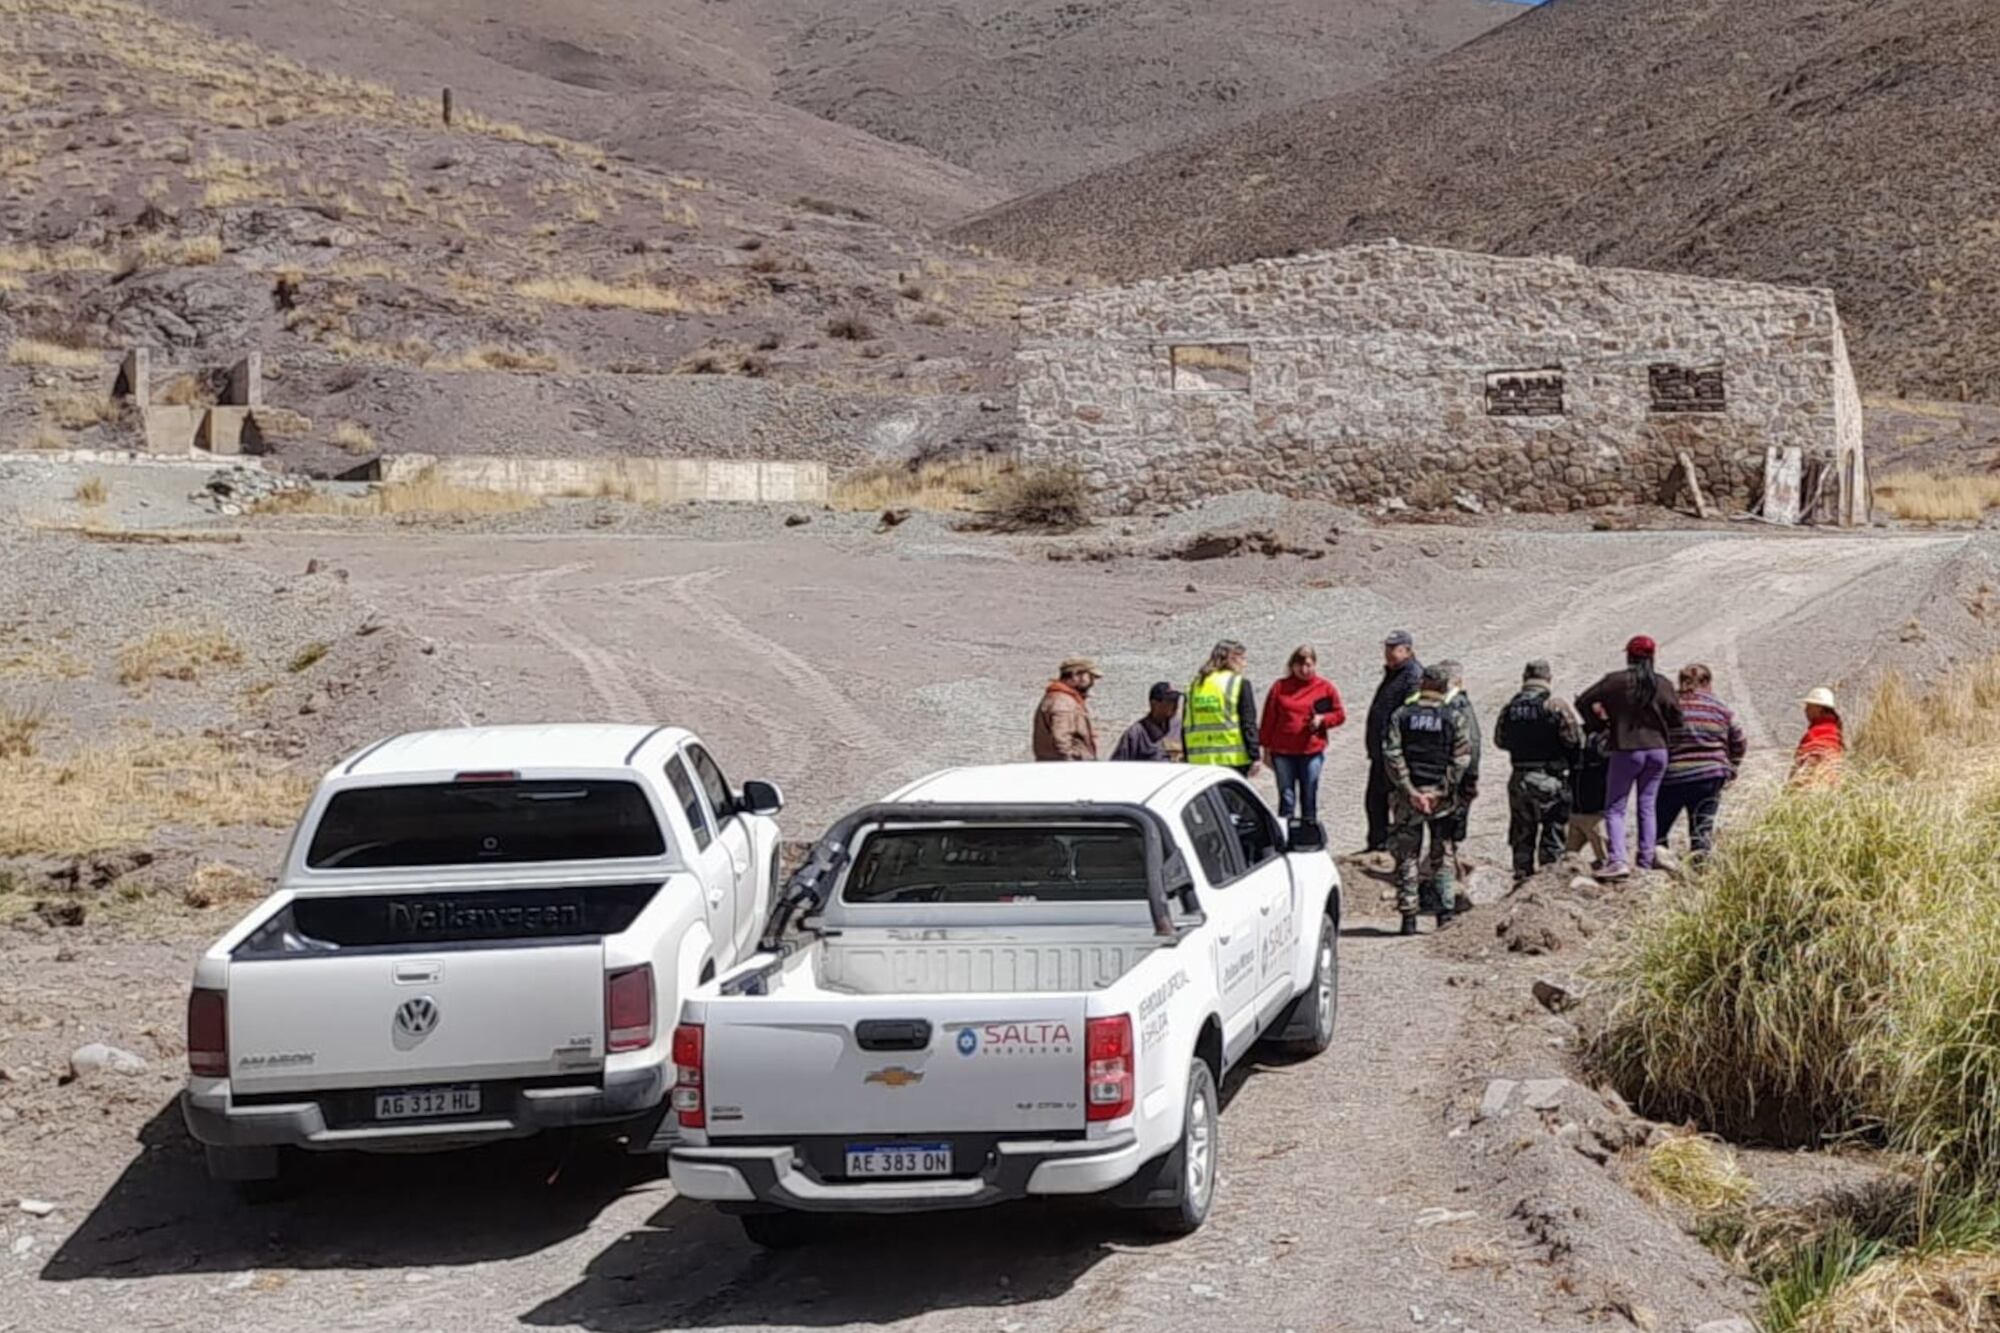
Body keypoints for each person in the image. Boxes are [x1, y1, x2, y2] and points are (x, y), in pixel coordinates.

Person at [1575, 635, 1684, 881]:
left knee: (1615, 808)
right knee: (1647, 805)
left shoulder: (1615, 682)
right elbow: (1677, 717)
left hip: (1626, 749)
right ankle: (1645, 859)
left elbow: (1583, 700)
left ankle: (1618, 860)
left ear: (1629, 656)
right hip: (1658, 750)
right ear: (1652, 656)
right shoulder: (1663, 684)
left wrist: (1599, 723)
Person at [1382, 662, 1472, 935]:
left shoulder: (1402, 715)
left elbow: (1392, 754)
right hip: (1440, 800)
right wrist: (1440, 791)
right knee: (1442, 854)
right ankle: (1444, 914)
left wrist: (1410, 790)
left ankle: (1408, 917)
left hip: (1407, 798)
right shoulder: (1453, 717)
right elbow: (1461, 759)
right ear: (1444, 687)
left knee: (1408, 855)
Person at [1495, 660, 1583, 884]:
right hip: (1548, 778)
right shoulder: (1554, 705)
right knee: (1553, 831)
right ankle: (1548, 883)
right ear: (1548, 679)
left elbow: (1500, 740)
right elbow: (1574, 740)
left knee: (1522, 833)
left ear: (1524, 678)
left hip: (1519, 776)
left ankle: (1521, 879)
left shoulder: (1510, 707)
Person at [1658, 664, 1747, 858]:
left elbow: (1656, 739)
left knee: (1658, 830)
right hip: (1710, 776)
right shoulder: (1720, 708)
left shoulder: (1669, 707)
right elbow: (1739, 740)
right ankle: (1700, 874)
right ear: (1707, 682)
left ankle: (1657, 869)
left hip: (1673, 776)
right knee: (1701, 830)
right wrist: (1732, 766)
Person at [1259, 645, 1346, 829]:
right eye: (1300, 665)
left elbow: (1339, 715)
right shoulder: (1280, 688)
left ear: (1315, 664)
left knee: (1309, 795)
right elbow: (1268, 720)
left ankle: (1308, 834)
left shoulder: (1325, 688)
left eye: (1308, 665)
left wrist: (1323, 719)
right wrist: (1266, 750)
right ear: (1292, 666)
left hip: (1311, 751)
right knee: (1286, 797)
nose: (1305, 670)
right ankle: (1285, 835)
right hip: (1283, 752)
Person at [1365, 631, 1424, 852]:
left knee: (1393, 801)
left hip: (1394, 753)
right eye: (1387, 648)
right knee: (1375, 801)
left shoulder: (1413, 676)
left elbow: (1408, 715)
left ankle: (1393, 846)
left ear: (1407, 650)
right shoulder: (1393, 673)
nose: (1389, 653)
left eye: (1395, 648)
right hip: (1380, 752)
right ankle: (1377, 843)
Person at [1184, 640, 1261, 775]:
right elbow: (1248, 722)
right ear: (1232, 658)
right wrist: (1255, 755)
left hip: (1198, 760)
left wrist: (1186, 755)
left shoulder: (1195, 685)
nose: (1245, 664)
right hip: (1232, 758)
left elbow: (1186, 725)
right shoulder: (1237, 683)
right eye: (1242, 658)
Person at [1032, 657, 1101, 761]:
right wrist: (1074, 763)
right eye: (1090, 677)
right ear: (1076, 675)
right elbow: (1062, 742)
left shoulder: (1058, 698)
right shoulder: (1063, 703)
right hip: (1068, 769)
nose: (1092, 682)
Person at [1567, 725, 1611, 867]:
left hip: (1595, 812)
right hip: (1578, 810)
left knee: (1606, 860)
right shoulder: (1575, 735)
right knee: (1567, 859)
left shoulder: (1603, 737)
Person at [1111, 682, 1183, 762]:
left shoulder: (1179, 728)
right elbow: (1117, 766)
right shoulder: (1135, 734)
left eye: (1176, 700)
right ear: (1154, 703)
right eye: (1170, 701)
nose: (1175, 705)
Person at [1790, 687, 1846, 787]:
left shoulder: (1814, 734)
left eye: (1809, 707)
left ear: (1818, 709)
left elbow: (1800, 765)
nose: (1805, 710)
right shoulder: (1836, 733)